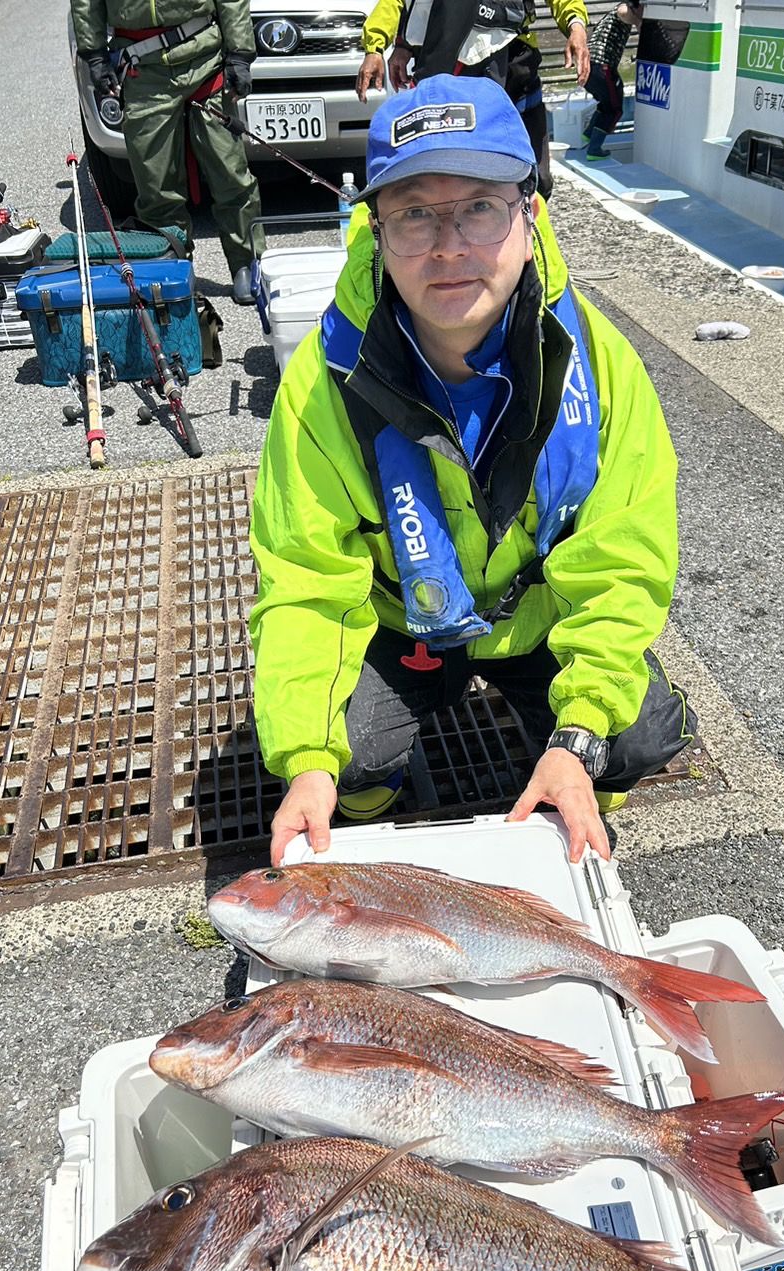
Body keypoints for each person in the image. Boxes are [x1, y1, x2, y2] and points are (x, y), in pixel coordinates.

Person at [250, 73, 696, 868]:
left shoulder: (599, 363)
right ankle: (366, 796)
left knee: (632, 736)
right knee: (348, 759)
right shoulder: (322, 383)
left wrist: (580, 732)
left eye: (480, 207)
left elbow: (622, 561)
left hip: (536, 618)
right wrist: (308, 759)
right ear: (375, 231)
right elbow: (305, 579)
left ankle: (573, 781)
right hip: (403, 622)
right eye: (414, 214)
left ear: (530, 215)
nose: (448, 246)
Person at [71, 0, 264, 302]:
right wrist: (94, 54)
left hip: (204, 59)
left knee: (230, 174)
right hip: (142, 67)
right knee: (156, 186)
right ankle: (173, 269)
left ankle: (247, 263)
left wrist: (239, 53)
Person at [355, 0, 590, 199]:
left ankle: (531, 230)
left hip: (514, 64)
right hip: (453, 72)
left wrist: (576, 26)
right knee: (467, 181)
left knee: (537, 180)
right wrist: (381, 47)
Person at [581, 1, 645, 161]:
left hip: (588, 67)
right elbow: (623, 11)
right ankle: (594, 149)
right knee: (615, 109)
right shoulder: (624, 8)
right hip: (602, 66)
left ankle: (588, 135)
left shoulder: (610, 16)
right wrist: (639, 22)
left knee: (606, 103)